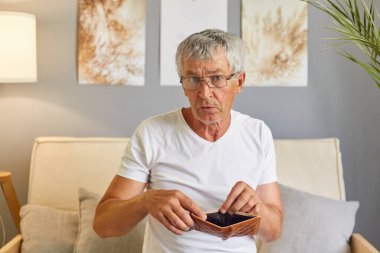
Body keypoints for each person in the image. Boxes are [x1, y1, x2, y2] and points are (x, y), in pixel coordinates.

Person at [93, 28, 283, 253]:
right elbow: (103, 225)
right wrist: (145, 201)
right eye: (193, 79)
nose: (204, 93)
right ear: (183, 84)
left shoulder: (258, 133)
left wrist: (258, 208)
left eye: (217, 78)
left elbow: (273, 231)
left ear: (239, 81)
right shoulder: (152, 133)